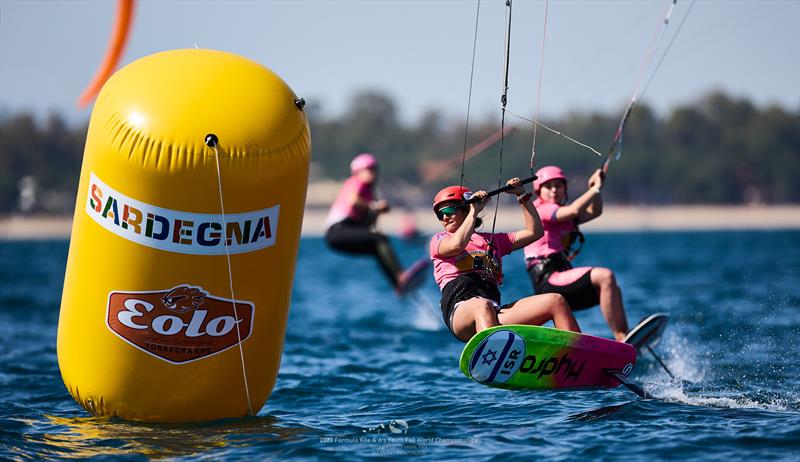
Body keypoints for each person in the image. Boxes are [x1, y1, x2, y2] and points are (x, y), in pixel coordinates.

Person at [429, 178, 581, 342]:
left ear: (464, 209)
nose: (444, 217)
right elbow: (457, 245)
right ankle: (495, 354)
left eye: (449, 210)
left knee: (555, 301)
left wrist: (521, 195)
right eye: (440, 214)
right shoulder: (439, 240)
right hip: (459, 312)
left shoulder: (494, 241)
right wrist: (474, 212)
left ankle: (580, 352)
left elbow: (534, 232)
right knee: (482, 305)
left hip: (492, 311)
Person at [523, 165, 629, 341]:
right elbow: (573, 210)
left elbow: (595, 211)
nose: (554, 190)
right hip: (547, 278)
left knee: (611, 289)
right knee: (605, 276)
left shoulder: (563, 214)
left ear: (565, 188)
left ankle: (625, 338)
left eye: (558, 185)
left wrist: (595, 189)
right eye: (548, 187)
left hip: (562, 275)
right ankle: (621, 337)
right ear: (538, 191)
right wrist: (594, 189)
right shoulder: (540, 209)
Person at [324, 153, 426, 294]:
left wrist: (377, 212)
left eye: (374, 169)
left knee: (376, 247)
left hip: (346, 232)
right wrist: (375, 206)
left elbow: (369, 226)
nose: (372, 173)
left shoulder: (370, 193)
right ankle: (401, 276)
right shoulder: (356, 182)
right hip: (337, 231)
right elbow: (353, 200)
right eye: (368, 169)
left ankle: (398, 284)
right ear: (358, 172)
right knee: (379, 238)